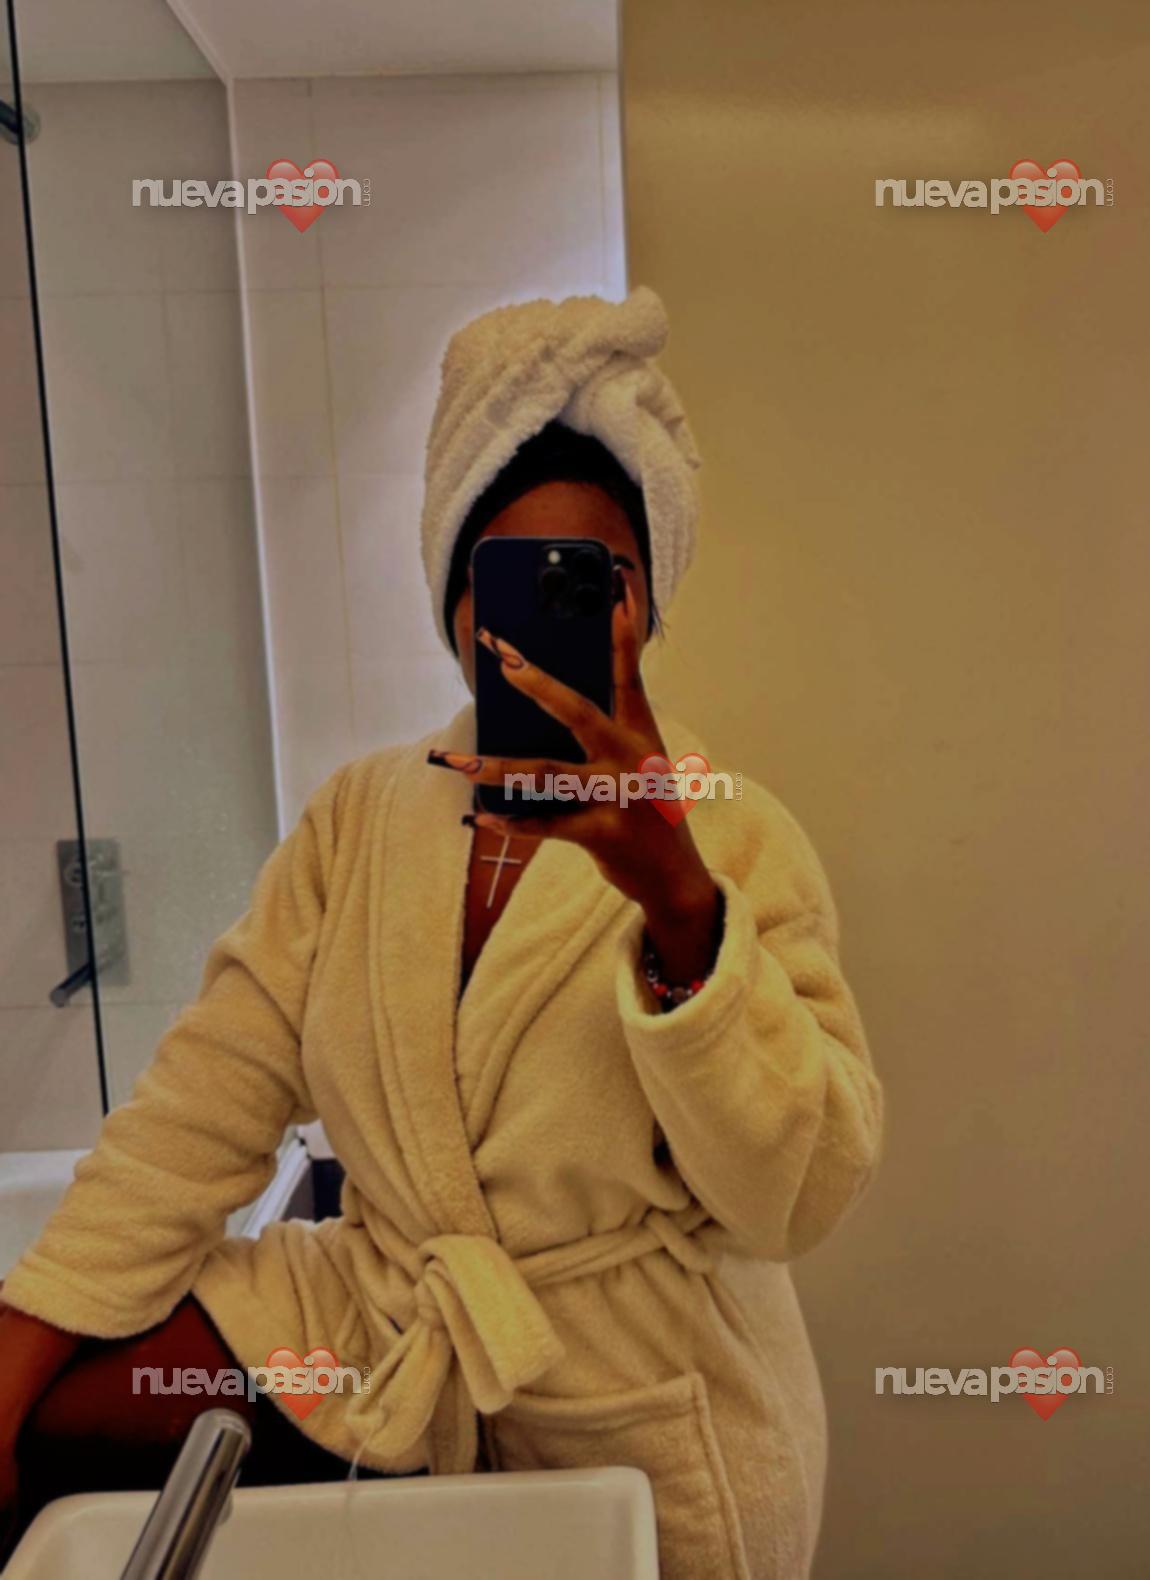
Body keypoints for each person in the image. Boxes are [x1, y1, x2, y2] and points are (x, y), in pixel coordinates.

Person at [0, 286, 882, 1580]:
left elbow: (794, 1198)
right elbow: (204, 1105)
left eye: (592, 580)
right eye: (503, 580)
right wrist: (23, 1338)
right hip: (389, 1329)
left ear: (645, 605)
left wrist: (680, 908)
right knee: (70, 1412)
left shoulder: (731, 831)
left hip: (653, 1393)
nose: (536, 621)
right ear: (456, 603)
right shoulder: (358, 821)